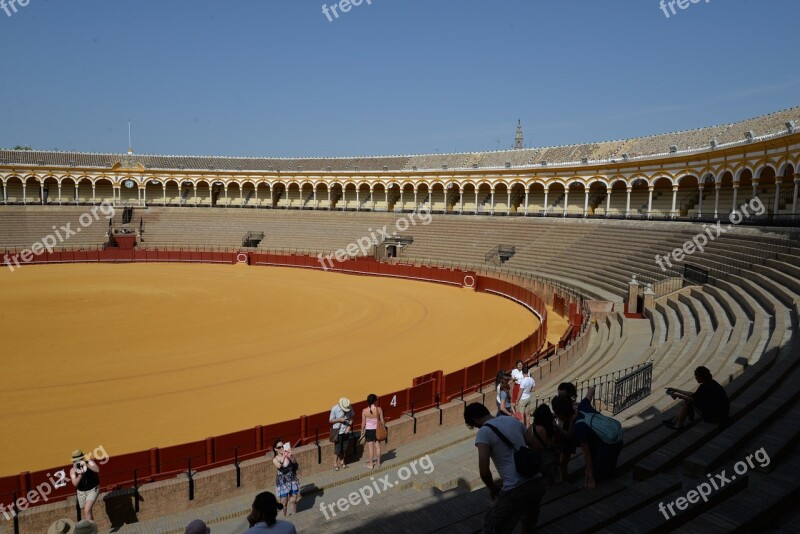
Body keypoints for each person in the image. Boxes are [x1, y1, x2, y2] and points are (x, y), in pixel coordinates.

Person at [464, 402, 546, 533]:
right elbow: (536, 446)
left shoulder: (484, 433)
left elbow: (484, 471)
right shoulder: (512, 420)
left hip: (515, 487)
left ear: (474, 420)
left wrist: (492, 488)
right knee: (529, 520)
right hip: (537, 481)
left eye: (473, 425)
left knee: (493, 527)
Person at [552, 386, 622, 489]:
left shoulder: (579, 427)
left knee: (599, 478)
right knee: (608, 469)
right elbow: (591, 389)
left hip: (607, 447)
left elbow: (586, 453)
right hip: (616, 439)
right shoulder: (583, 405)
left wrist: (590, 477)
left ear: (560, 415)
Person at [663, 366, 730, 429]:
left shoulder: (705, 387)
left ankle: (678, 425)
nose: (695, 378)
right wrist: (676, 390)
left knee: (687, 402)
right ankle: (675, 420)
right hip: (721, 413)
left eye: (696, 376)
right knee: (686, 401)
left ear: (700, 377)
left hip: (715, 416)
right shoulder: (711, 382)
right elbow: (695, 395)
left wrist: (678, 396)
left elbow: (693, 399)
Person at [527, 405, 558, 485]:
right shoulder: (546, 428)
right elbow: (551, 441)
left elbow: (526, 439)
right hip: (547, 456)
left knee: (543, 474)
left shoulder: (531, 428)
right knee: (550, 475)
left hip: (536, 455)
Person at [553, 383, 578, 483]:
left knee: (563, 463)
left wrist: (556, 427)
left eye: (562, 396)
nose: (560, 398)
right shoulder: (564, 405)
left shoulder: (574, 409)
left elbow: (570, 435)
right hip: (562, 435)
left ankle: (564, 481)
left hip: (567, 437)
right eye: (559, 396)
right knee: (560, 461)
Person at [69, 450, 100, 521]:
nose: (77, 462)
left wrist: (87, 465)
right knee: (87, 510)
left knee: (87, 510)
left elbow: (97, 469)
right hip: (81, 492)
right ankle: (93, 527)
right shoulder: (73, 470)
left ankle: (91, 530)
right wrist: (80, 475)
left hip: (93, 489)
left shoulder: (89, 462)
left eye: (79, 460)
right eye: (75, 461)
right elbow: (75, 484)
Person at [272, 439, 299, 516]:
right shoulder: (275, 459)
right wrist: (284, 456)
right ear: (275, 449)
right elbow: (279, 466)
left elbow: (295, 463)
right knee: (284, 503)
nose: (282, 448)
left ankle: (295, 516)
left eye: (282, 446)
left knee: (293, 500)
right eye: (279, 447)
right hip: (282, 483)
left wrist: (291, 456)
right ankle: (284, 519)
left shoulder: (288, 455)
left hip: (292, 480)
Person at [329, 397, 354, 470]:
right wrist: (339, 419)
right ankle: (335, 464)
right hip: (338, 432)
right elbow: (330, 420)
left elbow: (352, 417)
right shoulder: (334, 409)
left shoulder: (349, 407)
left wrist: (349, 427)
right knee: (338, 449)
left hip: (346, 431)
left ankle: (342, 462)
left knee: (345, 448)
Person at [361, 394, 385, 469]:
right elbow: (382, 420)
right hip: (377, 430)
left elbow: (363, 422)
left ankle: (371, 464)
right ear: (374, 401)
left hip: (369, 430)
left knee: (371, 448)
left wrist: (362, 430)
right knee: (378, 447)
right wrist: (383, 427)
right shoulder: (379, 409)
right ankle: (378, 463)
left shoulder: (365, 411)